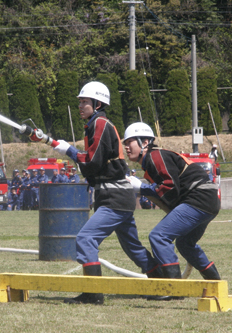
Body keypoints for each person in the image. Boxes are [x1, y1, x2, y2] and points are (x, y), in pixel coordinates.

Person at [52, 81, 159, 305]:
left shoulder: (99, 123)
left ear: (98, 103)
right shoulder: (96, 123)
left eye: (84, 102)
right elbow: (95, 166)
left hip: (114, 198)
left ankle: (93, 293)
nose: (80, 106)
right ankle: (161, 282)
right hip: (113, 196)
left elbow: (92, 161)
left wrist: (70, 151)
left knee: (85, 238)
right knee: (132, 247)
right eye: (79, 102)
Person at [123, 122, 221, 294]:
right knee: (185, 244)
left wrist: (142, 188)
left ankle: (172, 289)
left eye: (129, 142)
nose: (126, 147)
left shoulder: (155, 156)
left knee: (159, 236)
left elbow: (169, 187)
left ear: (144, 142)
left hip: (198, 199)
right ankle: (216, 284)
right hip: (208, 201)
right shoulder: (154, 159)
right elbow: (171, 195)